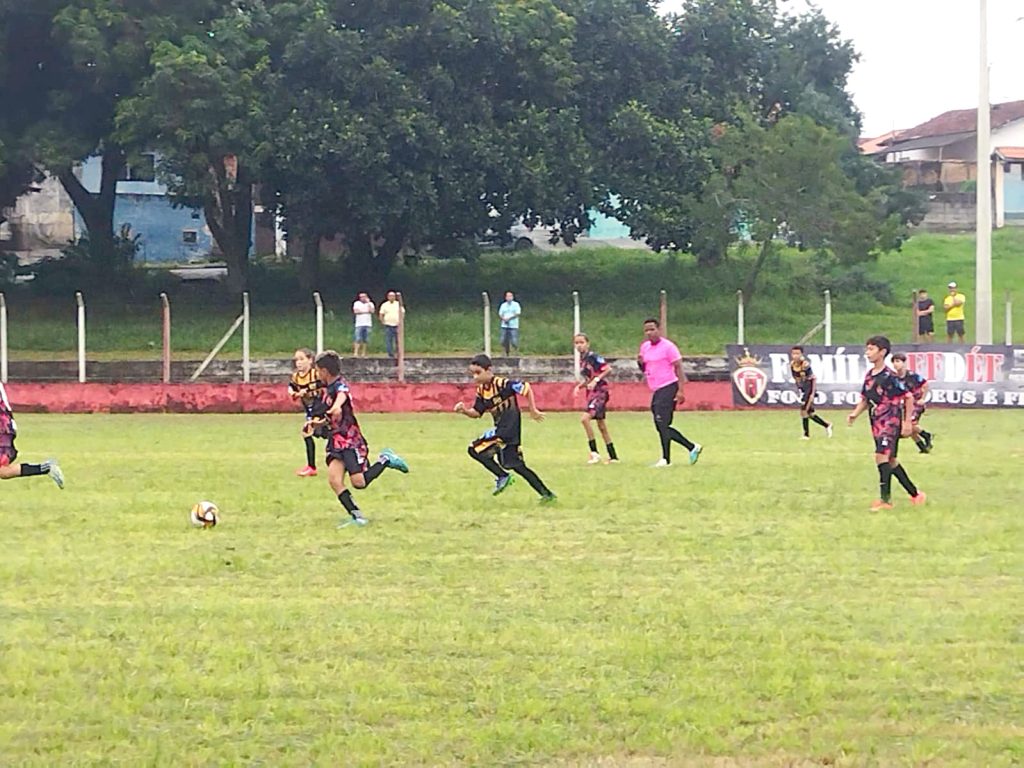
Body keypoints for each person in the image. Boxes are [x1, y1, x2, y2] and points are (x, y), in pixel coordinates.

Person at [305, 350, 408, 526]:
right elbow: (330, 417)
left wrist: (337, 406)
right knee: (334, 480)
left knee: (359, 483)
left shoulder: (339, 385)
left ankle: (385, 459)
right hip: (335, 442)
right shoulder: (325, 389)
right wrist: (317, 424)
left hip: (350, 441)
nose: (317, 374)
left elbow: (342, 395)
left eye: (318, 371)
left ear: (324, 371)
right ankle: (357, 516)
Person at [453, 353, 556, 502]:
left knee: (474, 449)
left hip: (506, 431)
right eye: (472, 374)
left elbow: (526, 388)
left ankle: (502, 476)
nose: (475, 377)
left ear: (489, 370)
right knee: (515, 465)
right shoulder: (481, 391)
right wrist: (464, 411)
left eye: (478, 373)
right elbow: (477, 413)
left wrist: (533, 410)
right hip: (505, 432)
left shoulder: (502, 384)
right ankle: (547, 495)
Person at [846, 336, 926, 511]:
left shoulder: (889, 376)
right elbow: (866, 398)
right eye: (867, 349)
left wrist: (907, 422)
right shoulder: (870, 375)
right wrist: (855, 414)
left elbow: (908, 397)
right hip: (876, 422)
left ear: (882, 352)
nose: (867, 353)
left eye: (871, 349)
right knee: (890, 460)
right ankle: (915, 494)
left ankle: (885, 501)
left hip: (890, 421)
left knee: (881, 456)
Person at [637, 318, 702, 467]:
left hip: (668, 386)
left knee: (662, 423)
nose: (649, 333)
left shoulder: (668, 347)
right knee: (661, 425)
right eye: (646, 330)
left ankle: (668, 458)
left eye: (652, 329)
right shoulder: (645, 347)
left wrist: (680, 390)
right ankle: (689, 448)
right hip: (656, 388)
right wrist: (640, 363)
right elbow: (645, 368)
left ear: (659, 330)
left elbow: (678, 367)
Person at [0, 381, 64, 488]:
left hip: (2, 428)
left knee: (2, 469)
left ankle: (47, 467)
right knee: (3, 471)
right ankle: (46, 467)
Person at [572, 333, 619, 464]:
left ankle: (594, 453)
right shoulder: (583, 360)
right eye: (576, 343)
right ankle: (613, 456)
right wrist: (579, 386)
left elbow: (607, 369)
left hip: (600, 392)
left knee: (585, 419)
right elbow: (589, 379)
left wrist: (596, 380)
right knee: (601, 425)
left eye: (582, 342)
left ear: (588, 344)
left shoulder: (593, 357)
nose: (579, 345)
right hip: (591, 393)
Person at [890, 352, 934, 454]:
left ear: (904, 363)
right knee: (909, 427)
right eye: (894, 362)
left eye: (898, 361)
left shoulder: (911, 375)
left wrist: (922, 398)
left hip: (915, 403)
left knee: (910, 424)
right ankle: (922, 447)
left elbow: (925, 384)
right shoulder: (894, 377)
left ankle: (926, 435)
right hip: (905, 405)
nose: (895, 364)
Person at [288, 347, 321, 477]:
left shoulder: (315, 374)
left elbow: (321, 385)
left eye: (302, 359)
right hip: (309, 410)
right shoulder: (296, 376)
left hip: (321, 408)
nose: (299, 363)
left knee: (311, 432)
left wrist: (306, 390)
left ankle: (312, 467)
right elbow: (291, 387)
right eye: (297, 360)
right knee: (309, 433)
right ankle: (311, 467)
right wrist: (293, 393)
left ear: (310, 360)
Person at [790, 345, 832, 440]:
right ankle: (827, 425)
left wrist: (812, 393)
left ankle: (806, 435)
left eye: (797, 354)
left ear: (801, 354)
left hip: (809, 390)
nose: (795, 356)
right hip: (803, 390)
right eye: (793, 353)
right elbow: (796, 378)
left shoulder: (805, 365)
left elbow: (813, 379)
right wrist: (798, 389)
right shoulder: (792, 365)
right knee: (810, 413)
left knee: (804, 411)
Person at [378, 290, 405, 359]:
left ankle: (398, 353)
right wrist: (383, 322)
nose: (391, 297)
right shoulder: (384, 305)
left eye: (393, 296)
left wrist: (401, 322)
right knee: (388, 340)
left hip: (397, 325)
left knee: (398, 340)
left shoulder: (398, 304)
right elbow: (381, 314)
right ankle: (390, 354)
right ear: (387, 297)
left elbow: (402, 313)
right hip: (388, 325)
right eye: (390, 296)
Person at [497, 291, 521, 357]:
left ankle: (516, 352)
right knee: (503, 340)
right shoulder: (503, 305)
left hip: (513, 325)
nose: (509, 297)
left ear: (512, 297)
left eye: (510, 296)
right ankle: (504, 353)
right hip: (504, 325)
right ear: (505, 297)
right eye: (507, 296)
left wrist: (509, 318)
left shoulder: (516, 304)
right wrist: (503, 319)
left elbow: (518, 313)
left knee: (514, 340)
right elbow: (500, 314)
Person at [351, 292, 375, 357]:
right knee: (357, 338)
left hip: (368, 324)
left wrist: (368, 303)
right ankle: (355, 353)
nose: (362, 298)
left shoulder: (370, 304)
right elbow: (356, 311)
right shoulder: (357, 303)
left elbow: (372, 311)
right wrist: (366, 311)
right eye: (361, 297)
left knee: (366, 340)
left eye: (364, 297)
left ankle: (363, 353)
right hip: (359, 324)